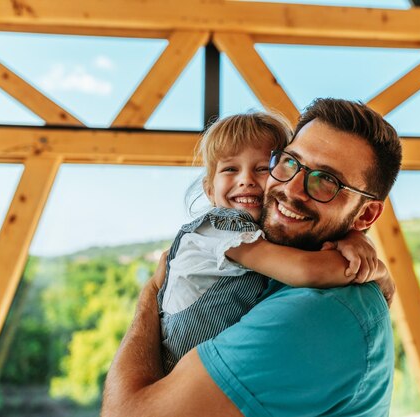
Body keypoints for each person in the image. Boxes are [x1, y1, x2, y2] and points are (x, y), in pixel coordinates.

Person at [102, 98, 402, 417]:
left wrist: (151, 293)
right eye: (290, 162)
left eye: (327, 180)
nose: (293, 188)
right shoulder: (239, 242)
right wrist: (367, 257)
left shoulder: (317, 310)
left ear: (366, 215)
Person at [157, 112, 389, 373]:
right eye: (230, 169)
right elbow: (306, 270)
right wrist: (377, 270)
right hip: (172, 367)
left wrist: (352, 236)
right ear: (210, 189)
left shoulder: (266, 237)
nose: (245, 180)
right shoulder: (221, 228)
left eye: (262, 169)